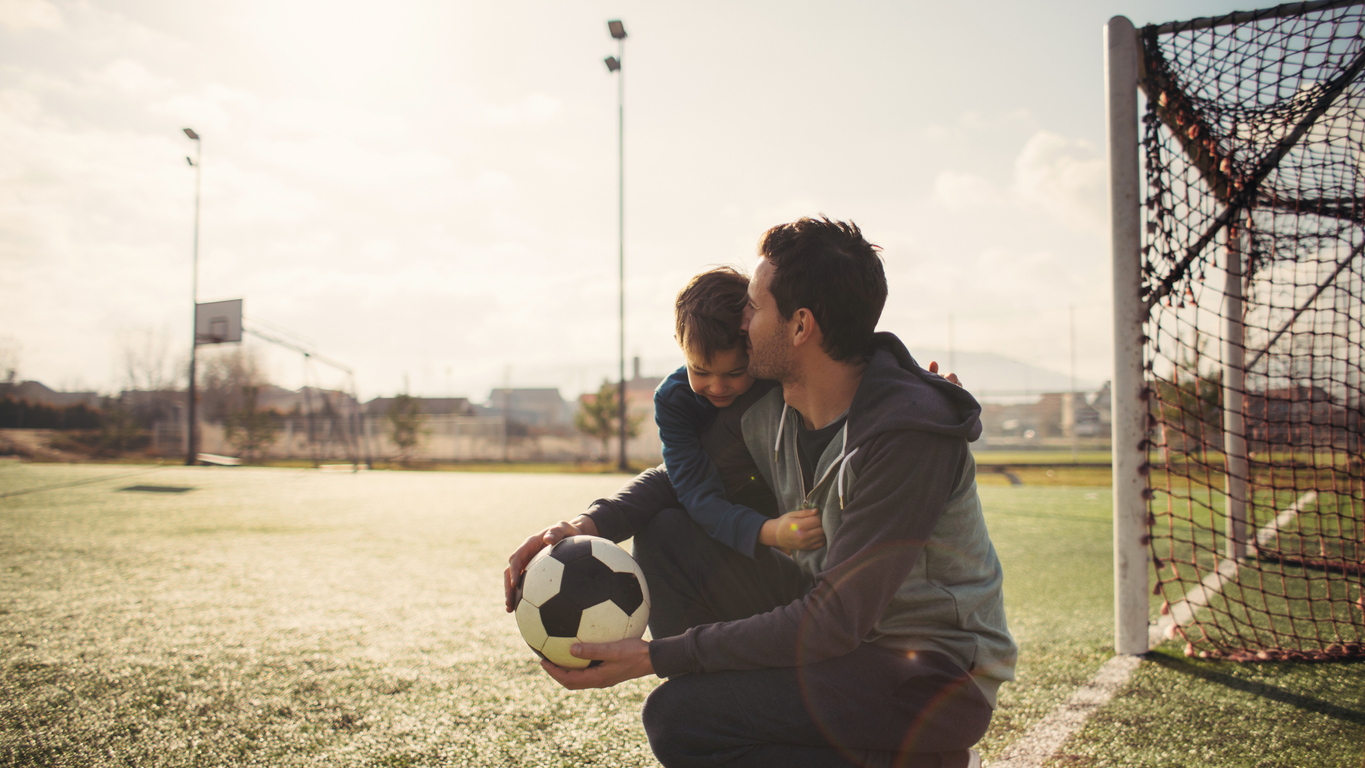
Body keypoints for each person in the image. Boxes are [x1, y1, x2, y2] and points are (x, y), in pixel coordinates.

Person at [504, 217, 1016, 768]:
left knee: (680, 718)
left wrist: (658, 655)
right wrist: (587, 526)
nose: (740, 320)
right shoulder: (772, 403)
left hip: (927, 676)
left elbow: (833, 620)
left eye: (753, 304)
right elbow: (682, 477)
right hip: (834, 640)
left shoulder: (905, 434)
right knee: (667, 533)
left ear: (800, 326)